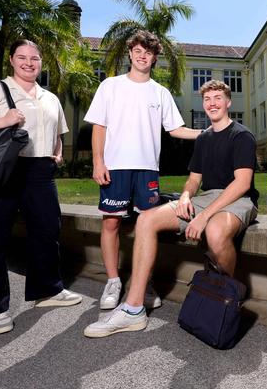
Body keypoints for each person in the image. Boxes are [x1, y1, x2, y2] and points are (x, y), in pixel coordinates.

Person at [84, 79, 258, 338]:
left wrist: (204, 216)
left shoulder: (241, 135)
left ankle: (227, 294)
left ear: (228, 102)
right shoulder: (204, 138)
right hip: (207, 197)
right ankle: (133, 309)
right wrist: (187, 195)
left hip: (238, 197)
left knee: (215, 232)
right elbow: (194, 179)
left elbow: (242, 183)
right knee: (147, 219)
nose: (212, 103)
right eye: (207, 99)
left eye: (218, 98)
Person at [0, 39, 82, 335]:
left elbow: (58, 132)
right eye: (22, 57)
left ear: (41, 62)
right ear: (11, 60)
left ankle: (47, 291)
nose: (29, 62)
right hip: (2, 169)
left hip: (40, 170)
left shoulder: (50, 97)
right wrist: (4, 121)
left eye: (35, 58)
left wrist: (57, 154)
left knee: (47, 231)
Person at [83, 30, 201, 312]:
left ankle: (141, 283)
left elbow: (175, 129)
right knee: (111, 223)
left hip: (147, 170)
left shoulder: (160, 93)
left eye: (148, 52)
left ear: (154, 58)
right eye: (138, 50)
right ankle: (113, 281)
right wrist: (98, 162)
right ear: (130, 53)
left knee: (145, 226)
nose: (142, 55)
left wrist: (208, 133)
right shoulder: (110, 86)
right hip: (116, 167)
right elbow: (100, 126)